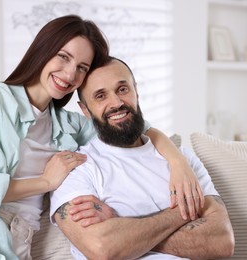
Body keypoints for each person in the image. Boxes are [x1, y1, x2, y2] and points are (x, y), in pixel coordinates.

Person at [0, 16, 202, 260]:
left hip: (10, 247)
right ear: (42, 50)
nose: (70, 73)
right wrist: (45, 182)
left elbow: (132, 123)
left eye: (81, 67)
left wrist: (178, 161)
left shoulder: (70, 125)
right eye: (63, 57)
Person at [50, 57, 235, 260]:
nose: (117, 103)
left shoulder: (183, 160)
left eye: (122, 89)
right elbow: (102, 249)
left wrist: (125, 231)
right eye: (101, 96)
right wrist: (189, 210)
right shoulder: (77, 168)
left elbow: (222, 242)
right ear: (85, 109)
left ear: (136, 91)